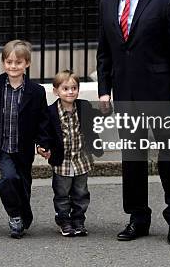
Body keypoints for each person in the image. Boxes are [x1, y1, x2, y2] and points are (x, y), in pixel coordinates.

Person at [96, 0, 170, 245]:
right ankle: (138, 217)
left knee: (169, 157)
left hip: (160, 93)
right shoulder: (108, 3)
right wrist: (103, 90)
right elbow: (104, 52)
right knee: (132, 158)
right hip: (125, 93)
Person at [0, 40, 50, 239]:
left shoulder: (36, 91)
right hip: (3, 146)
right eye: (9, 62)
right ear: (3, 63)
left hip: (23, 147)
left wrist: (43, 143)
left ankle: (24, 214)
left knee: (23, 184)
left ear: (27, 64)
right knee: (9, 178)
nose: (13, 66)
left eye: (18, 63)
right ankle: (15, 215)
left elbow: (43, 120)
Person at [37, 70, 103, 237]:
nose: (70, 92)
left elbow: (94, 125)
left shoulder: (84, 106)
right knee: (62, 194)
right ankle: (64, 221)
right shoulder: (50, 111)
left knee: (81, 193)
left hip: (82, 160)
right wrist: (42, 146)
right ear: (56, 91)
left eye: (74, 88)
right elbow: (44, 131)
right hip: (62, 161)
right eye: (65, 88)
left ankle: (78, 220)